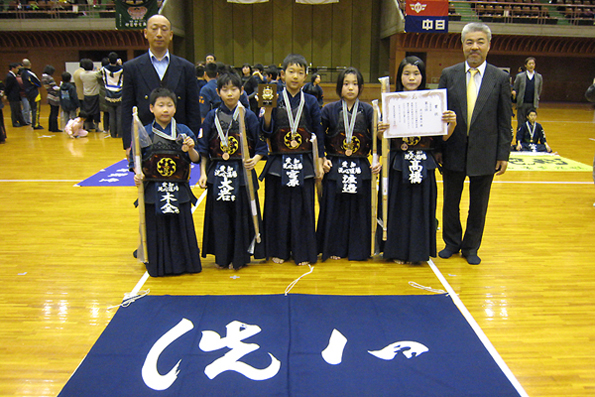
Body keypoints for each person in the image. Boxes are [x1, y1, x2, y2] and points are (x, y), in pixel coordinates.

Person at [437, 22, 512, 265]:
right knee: (451, 201)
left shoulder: (500, 78)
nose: (474, 47)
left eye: (480, 42)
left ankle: (471, 247)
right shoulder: (449, 74)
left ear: (489, 45)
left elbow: (504, 119)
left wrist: (503, 154)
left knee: (478, 205)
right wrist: (438, 147)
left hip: (485, 152)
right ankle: (451, 242)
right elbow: (437, 116)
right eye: (469, 42)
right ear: (462, 45)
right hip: (453, 149)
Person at [377, 57, 457, 264]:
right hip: (397, 161)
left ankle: (418, 253)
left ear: (422, 76)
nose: (411, 78)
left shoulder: (433, 101)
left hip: (424, 161)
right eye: (406, 73)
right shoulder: (390, 101)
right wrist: (380, 132)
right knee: (398, 208)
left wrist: (452, 124)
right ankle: (396, 251)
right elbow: (383, 142)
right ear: (399, 76)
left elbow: (443, 138)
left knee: (420, 208)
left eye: (416, 73)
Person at [197, 73, 268, 270]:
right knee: (221, 218)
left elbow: (262, 146)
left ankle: (240, 256)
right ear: (218, 92)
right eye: (225, 90)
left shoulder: (249, 116)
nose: (230, 94)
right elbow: (203, 149)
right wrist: (203, 173)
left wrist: (255, 159)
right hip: (218, 172)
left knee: (241, 215)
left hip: (242, 174)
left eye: (234, 89)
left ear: (241, 91)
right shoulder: (211, 116)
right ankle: (222, 256)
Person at [260, 53, 325, 266]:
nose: (295, 76)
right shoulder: (272, 96)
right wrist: (267, 112)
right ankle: (278, 249)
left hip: (304, 161)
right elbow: (266, 132)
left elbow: (318, 132)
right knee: (278, 207)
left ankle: (303, 251)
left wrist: (320, 161)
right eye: (291, 72)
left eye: (300, 72)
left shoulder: (312, 101)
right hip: (279, 160)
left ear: (305, 76)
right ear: (282, 74)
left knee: (303, 208)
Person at [133, 87, 202, 277]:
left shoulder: (183, 131)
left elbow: (195, 159)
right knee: (157, 227)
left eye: (169, 105)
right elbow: (135, 160)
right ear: (151, 108)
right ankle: (158, 264)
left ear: (175, 108)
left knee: (180, 226)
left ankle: (185, 263)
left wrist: (190, 149)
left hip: (178, 188)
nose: (165, 110)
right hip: (153, 189)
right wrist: (137, 173)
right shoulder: (144, 132)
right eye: (160, 105)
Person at [316, 67, 380, 261]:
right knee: (336, 208)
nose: (350, 88)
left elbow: (377, 139)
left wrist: (377, 159)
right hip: (335, 163)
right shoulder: (329, 109)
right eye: (346, 84)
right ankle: (333, 247)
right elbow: (319, 137)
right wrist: (322, 159)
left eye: (354, 84)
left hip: (360, 164)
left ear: (360, 87)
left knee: (359, 209)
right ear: (339, 87)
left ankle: (358, 249)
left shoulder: (368, 110)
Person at [121, 14, 201, 155]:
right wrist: (129, 144)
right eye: (154, 29)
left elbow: (193, 108)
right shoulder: (132, 68)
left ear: (170, 35)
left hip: (178, 141)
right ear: (145, 33)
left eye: (164, 30)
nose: (159, 34)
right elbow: (127, 107)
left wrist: (192, 140)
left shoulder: (186, 68)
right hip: (145, 141)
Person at [513, 57, 543, 128]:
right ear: (525, 65)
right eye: (529, 63)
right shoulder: (520, 76)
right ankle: (519, 139)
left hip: (532, 104)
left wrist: (536, 98)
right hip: (522, 104)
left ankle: (528, 138)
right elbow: (515, 88)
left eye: (533, 63)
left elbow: (539, 89)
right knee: (520, 123)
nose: (531, 65)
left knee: (530, 124)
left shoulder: (539, 77)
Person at [101, 52, 124, 138]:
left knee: (111, 115)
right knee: (119, 115)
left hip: (108, 93)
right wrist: (119, 64)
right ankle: (120, 133)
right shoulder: (122, 69)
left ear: (108, 60)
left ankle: (113, 134)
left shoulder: (103, 69)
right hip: (119, 93)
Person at [79, 58, 102, 132]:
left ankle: (88, 126)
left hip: (86, 94)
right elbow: (100, 75)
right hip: (95, 94)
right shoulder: (95, 74)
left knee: (87, 111)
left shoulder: (81, 74)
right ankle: (96, 127)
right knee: (96, 111)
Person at [20, 59, 43, 130]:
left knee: (33, 108)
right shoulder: (30, 73)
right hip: (34, 93)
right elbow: (38, 83)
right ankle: (35, 124)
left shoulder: (22, 73)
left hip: (27, 93)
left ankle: (34, 123)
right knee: (36, 109)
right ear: (30, 64)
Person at [5, 63, 27, 128]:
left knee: (18, 109)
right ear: (13, 68)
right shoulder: (9, 76)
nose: (18, 70)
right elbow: (8, 87)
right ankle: (15, 122)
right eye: (17, 68)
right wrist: (6, 95)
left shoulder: (13, 75)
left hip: (16, 95)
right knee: (14, 110)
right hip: (12, 96)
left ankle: (21, 121)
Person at [41, 65, 61, 132]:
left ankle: (50, 127)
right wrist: (61, 88)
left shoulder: (43, 77)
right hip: (54, 96)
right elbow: (54, 88)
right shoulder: (49, 78)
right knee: (55, 113)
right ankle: (54, 128)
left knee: (52, 112)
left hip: (49, 95)